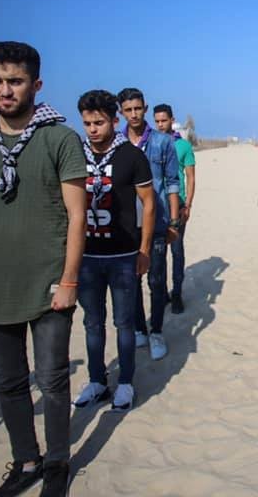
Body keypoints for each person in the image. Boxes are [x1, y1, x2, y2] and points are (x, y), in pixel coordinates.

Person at [0, 41, 86, 497]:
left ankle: (57, 463)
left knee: (52, 381)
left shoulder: (60, 139)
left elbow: (77, 216)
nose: (5, 91)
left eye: (15, 81)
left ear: (36, 84)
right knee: (8, 383)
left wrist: (69, 281)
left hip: (49, 285)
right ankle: (26, 460)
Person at [73, 90, 156, 412]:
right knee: (92, 323)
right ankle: (97, 381)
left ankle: (125, 383)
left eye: (99, 123)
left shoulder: (131, 156)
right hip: (87, 257)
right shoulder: (75, 155)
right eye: (87, 124)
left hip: (123, 255)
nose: (93, 129)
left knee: (124, 323)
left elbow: (149, 203)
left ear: (114, 120)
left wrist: (144, 250)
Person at [117, 88, 180, 360]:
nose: (134, 114)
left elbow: (172, 182)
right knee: (131, 280)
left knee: (156, 279)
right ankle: (140, 329)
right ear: (121, 112)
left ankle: (156, 331)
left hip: (157, 221)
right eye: (128, 110)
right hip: (125, 225)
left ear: (145, 108)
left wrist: (174, 222)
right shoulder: (116, 143)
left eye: (137, 108)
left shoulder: (163, 142)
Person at [153, 103, 197, 314]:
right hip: (156, 205)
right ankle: (162, 293)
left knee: (177, 250)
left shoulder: (183, 146)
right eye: (157, 121)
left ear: (172, 120)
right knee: (158, 253)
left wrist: (188, 205)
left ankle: (177, 293)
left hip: (177, 204)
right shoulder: (151, 144)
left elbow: (190, 177)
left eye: (164, 120)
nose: (161, 125)